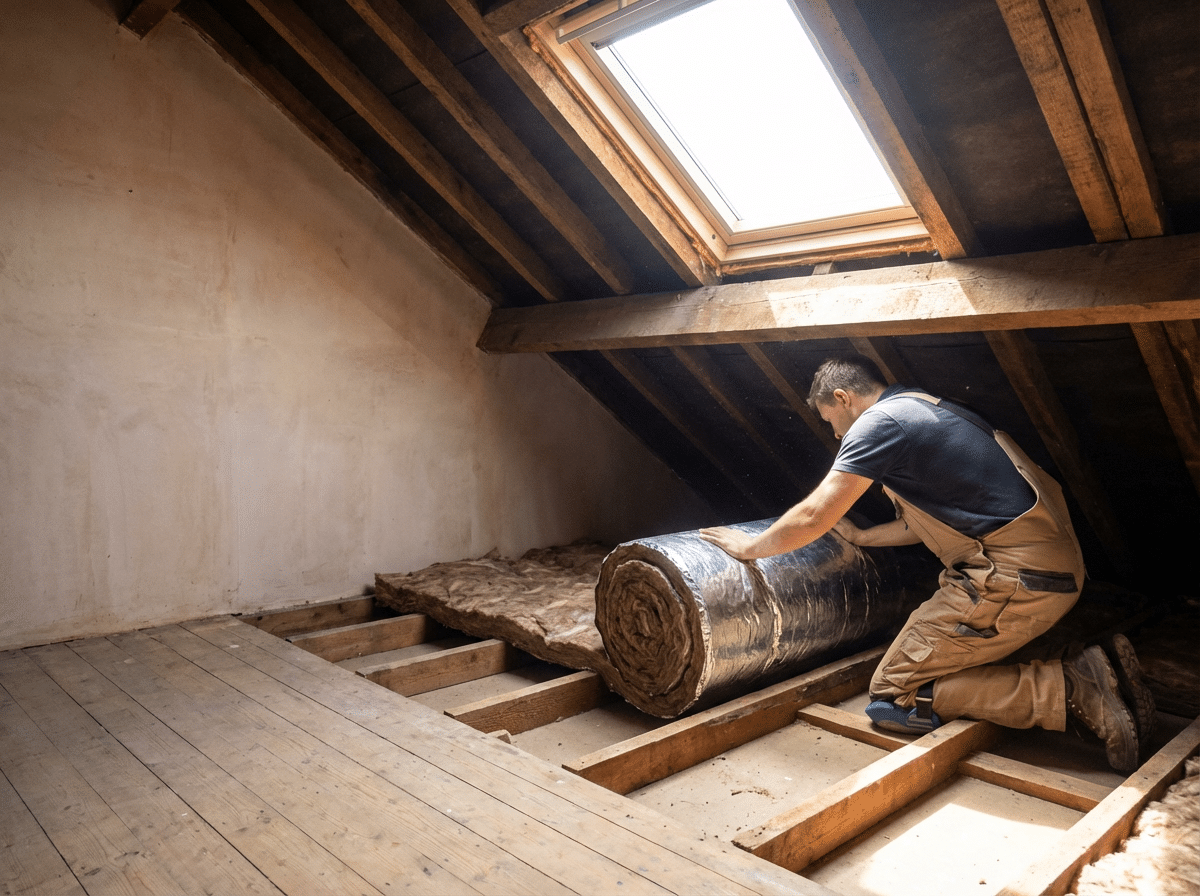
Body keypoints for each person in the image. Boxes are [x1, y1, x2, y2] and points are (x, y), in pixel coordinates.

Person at [699, 355, 1155, 773]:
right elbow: (931, 524)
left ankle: (1072, 687)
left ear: (843, 398)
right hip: (1045, 571)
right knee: (938, 668)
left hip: (1010, 579)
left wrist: (749, 548)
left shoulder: (878, 424)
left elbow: (816, 514)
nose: (836, 435)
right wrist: (861, 537)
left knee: (890, 699)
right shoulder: (927, 408)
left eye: (831, 421)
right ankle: (1091, 670)